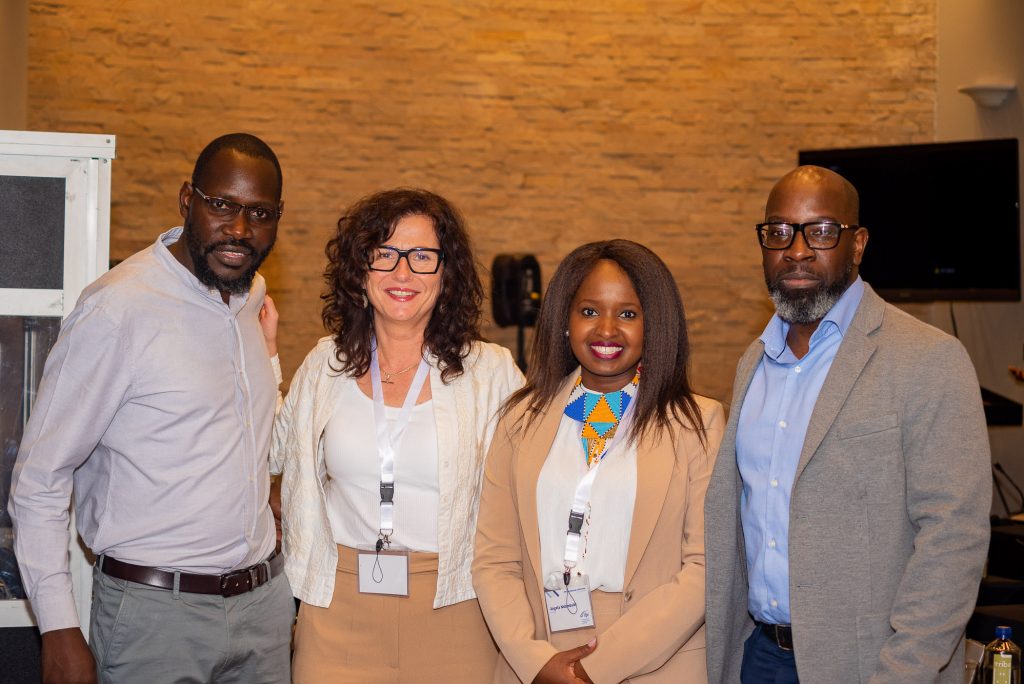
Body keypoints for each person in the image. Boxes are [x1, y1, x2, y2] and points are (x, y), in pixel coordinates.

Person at [9, 133, 294, 684]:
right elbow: (39, 478)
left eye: (260, 213)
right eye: (222, 205)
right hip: (156, 619)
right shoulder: (119, 308)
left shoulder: (250, 295)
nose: (240, 229)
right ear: (187, 200)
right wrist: (58, 628)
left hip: (263, 612)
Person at [704, 165, 991, 682]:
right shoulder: (753, 363)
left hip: (870, 665)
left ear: (857, 245)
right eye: (779, 231)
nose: (796, 250)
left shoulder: (929, 359)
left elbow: (954, 537)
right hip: (757, 657)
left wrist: (903, 671)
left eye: (820, 231)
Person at [272, 188, 523, 682]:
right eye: (384, 254)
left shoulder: (491, 372)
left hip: (456, 606)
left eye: (422, 257)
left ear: (446, 274)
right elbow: (272, 453)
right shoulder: (325, 365)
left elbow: (534, 481)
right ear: (359, 271)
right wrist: (263, 356)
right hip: (338, 608)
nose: (402, 273)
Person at [473, 239, 724, 683]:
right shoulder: (519, 419)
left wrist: (596, 669)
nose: (606, 330)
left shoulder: (698, 423)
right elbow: (495, 558)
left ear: (653, 325)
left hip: (656, 658)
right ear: (564, 321)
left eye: (628, 314)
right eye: (589, 311)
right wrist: (534, 660)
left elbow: (705, 568)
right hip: (539, 654)